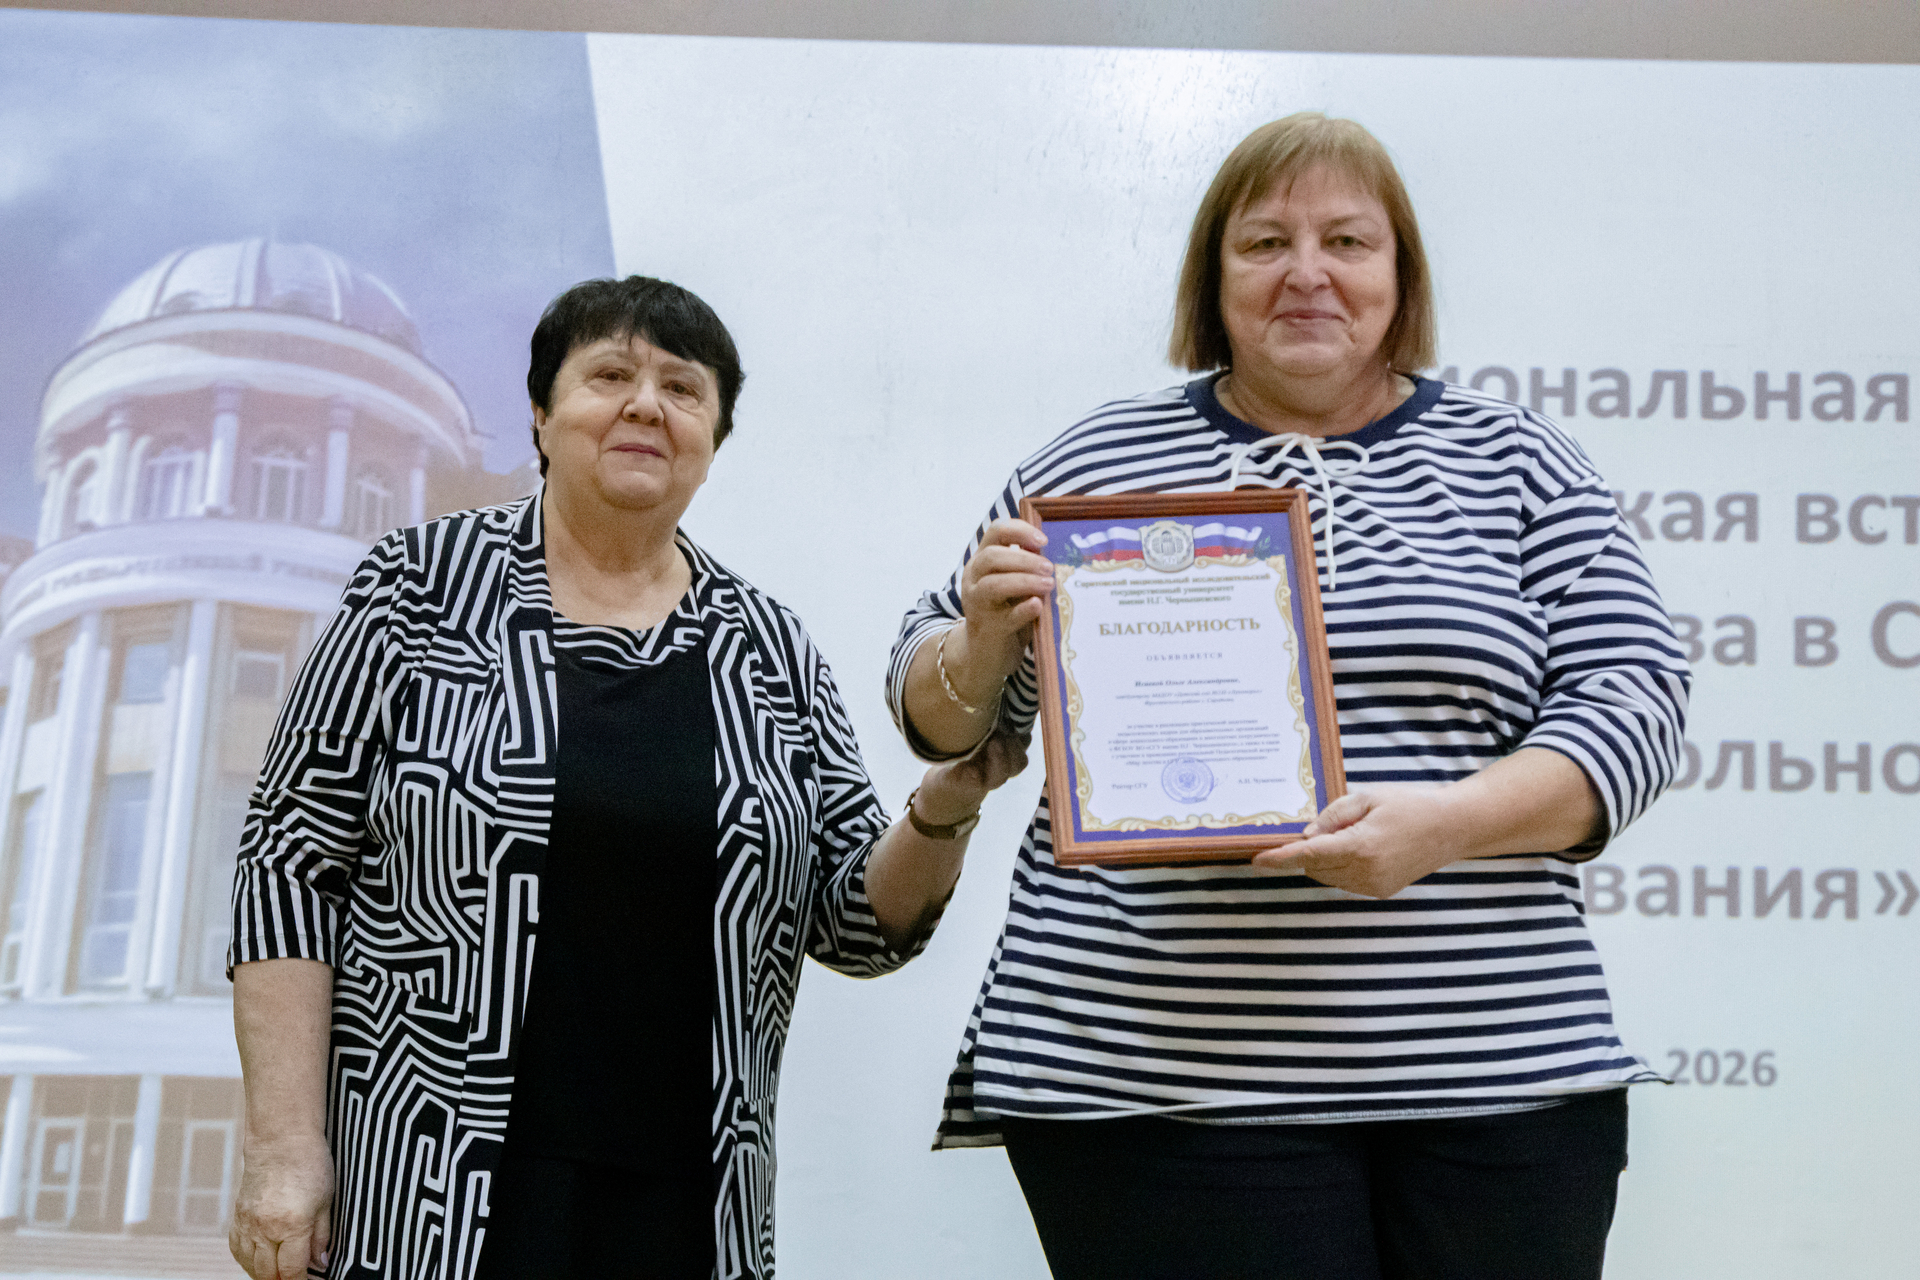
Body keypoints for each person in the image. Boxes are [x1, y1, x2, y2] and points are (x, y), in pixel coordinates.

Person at [887, 112, 1690, 1279]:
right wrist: (976, 641)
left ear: (1400, 276)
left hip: (1495, 1078)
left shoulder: (1520, 459)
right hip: (1152, 1079)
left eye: (1347, 241)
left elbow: (1635, 701)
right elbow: (943, 714)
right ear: (1213, 280)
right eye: (1265, 242)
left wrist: (1445, 826)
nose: (1307, 272)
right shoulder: (1095, 464)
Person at [226, 275, 1024, 1280]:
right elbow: (289, 866)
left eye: (683, 388)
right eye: (610, 375)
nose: (648, 405)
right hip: (434, 1193)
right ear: (541, 413)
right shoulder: (415, 588)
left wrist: (945, 806)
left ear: (713, 439)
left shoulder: (769, 648)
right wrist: (283, 1147)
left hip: (692, 1202)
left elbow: (858, 924)